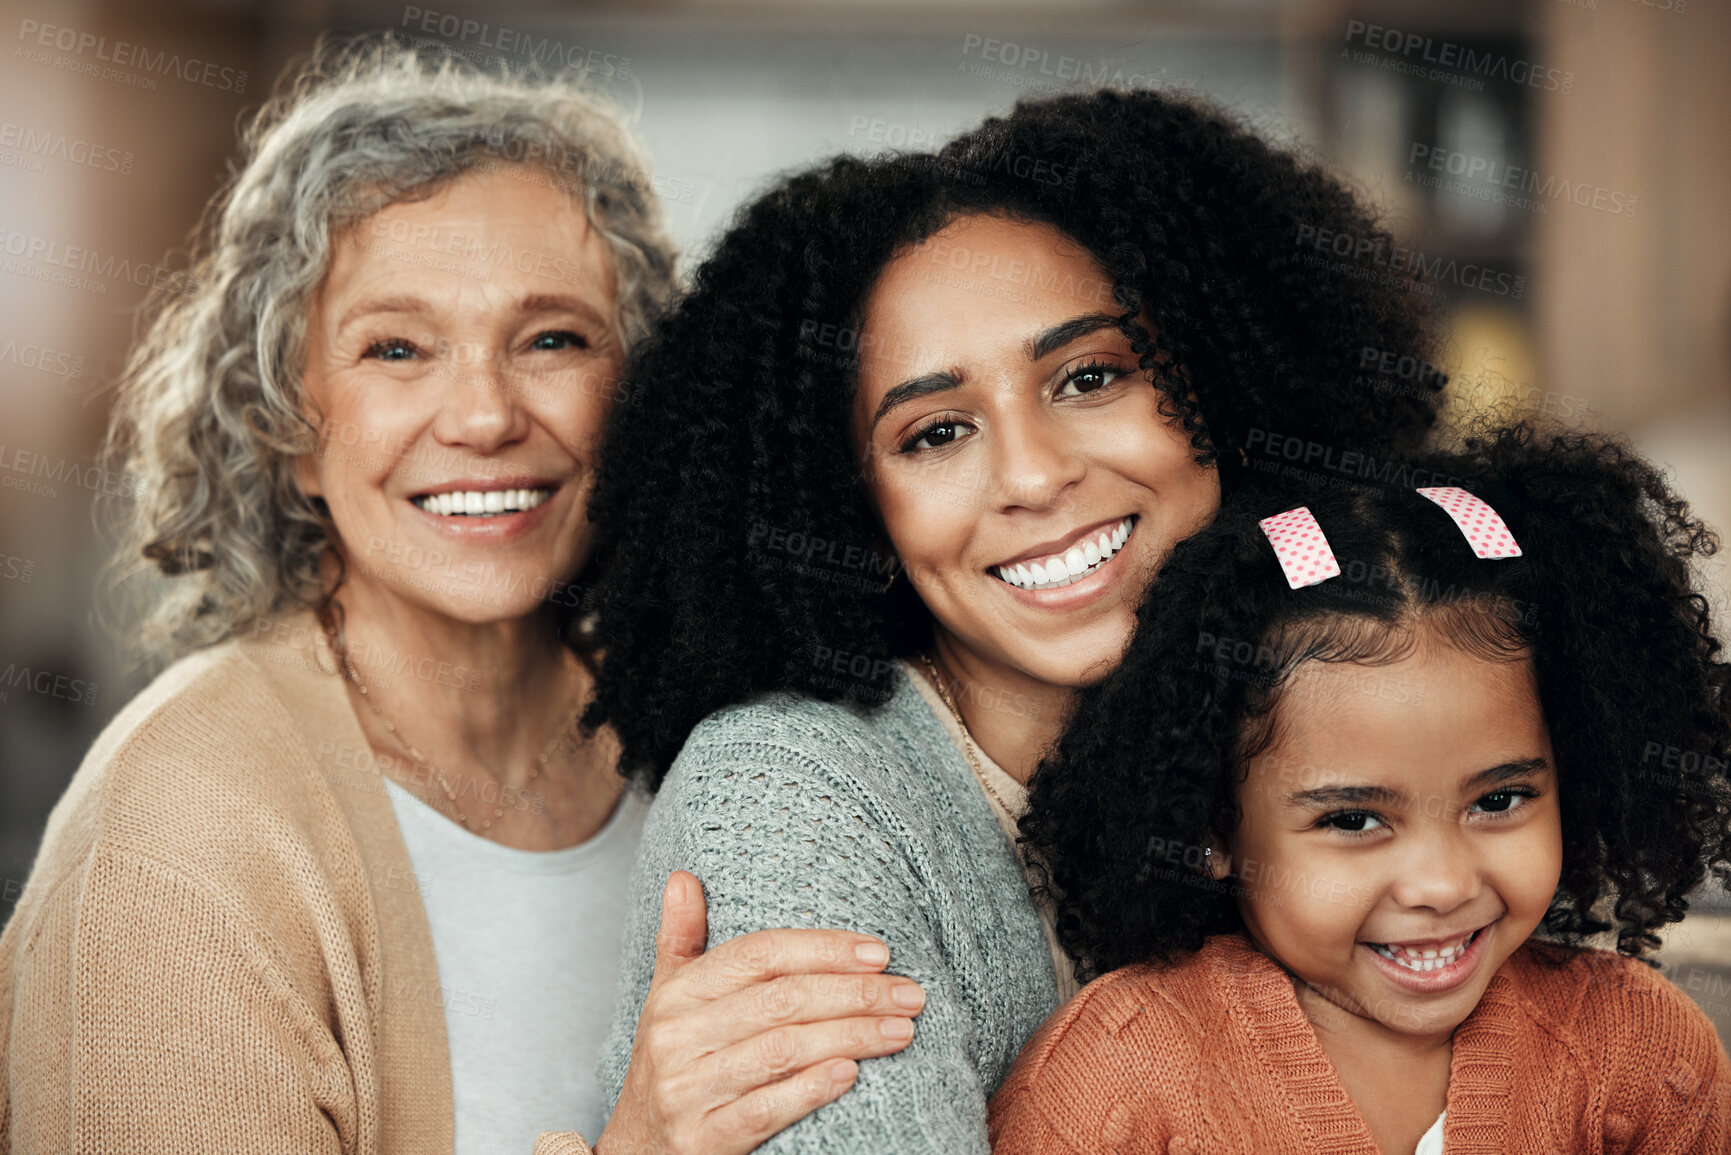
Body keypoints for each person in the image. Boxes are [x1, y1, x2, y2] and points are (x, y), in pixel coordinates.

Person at [0, 43, 926, 1155]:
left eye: (552, 339)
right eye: (397, 348)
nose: (484, 415)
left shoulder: (700, 734)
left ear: (639, 401)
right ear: (288, 431)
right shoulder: (177, 835)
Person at [588, 88, 1450, 1151]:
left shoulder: (1349, 715)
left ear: (1227, 386)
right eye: (936, 433)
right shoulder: (795, 800)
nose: (1035, 476)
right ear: (849, 506)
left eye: (1090, 377)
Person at [990, 425, 1731, 1153]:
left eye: (1498, 800)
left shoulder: (1639, 1054)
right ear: (1211, 827)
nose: (1440, 883)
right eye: (1352, 818)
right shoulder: (1115, 1082)